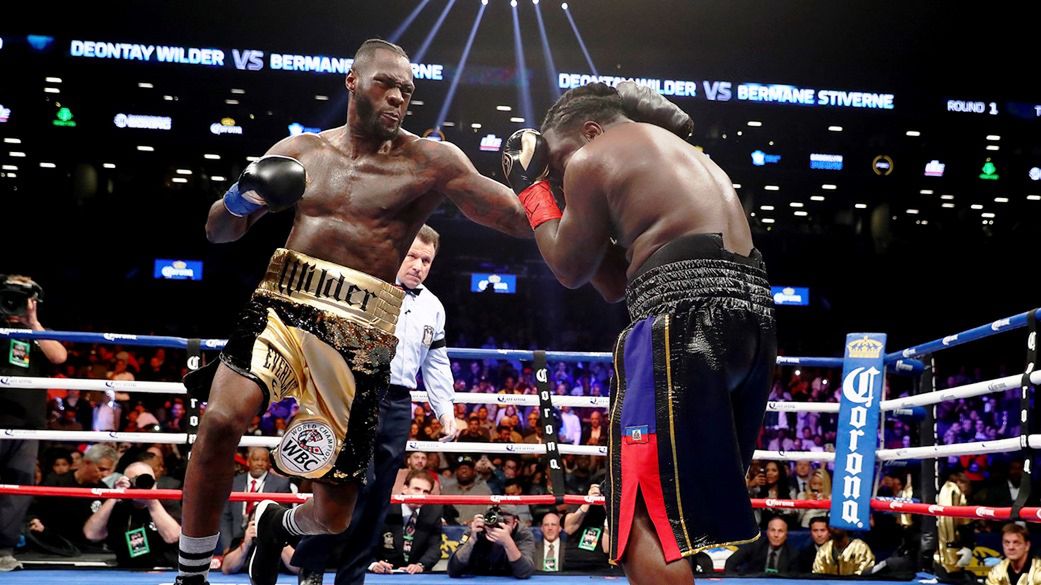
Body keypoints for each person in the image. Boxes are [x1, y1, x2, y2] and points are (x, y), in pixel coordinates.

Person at [174, 38, 529, 585]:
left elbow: (509, 217)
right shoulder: (302, 150)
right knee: (221, 420)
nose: (398, 99)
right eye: (387, 84)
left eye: (408, 91)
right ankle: (191, 574)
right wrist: (244, 197)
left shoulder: (431, 161)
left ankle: (278, 525)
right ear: (354, 82)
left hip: (361, 330)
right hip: (283, 305)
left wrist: (543, 193)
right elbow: (217, 231)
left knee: (334, 514)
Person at [501, 81, 776, 585]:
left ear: (589, 130)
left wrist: (533, 188)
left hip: (681, 323)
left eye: (560, 161)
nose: (564, 174)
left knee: (642, 516)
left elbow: (564, 267)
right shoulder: (685, 157)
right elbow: (608, 284)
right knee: (682, 511)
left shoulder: (592, 156)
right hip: (753, 323)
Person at [293, 226, 457, 585]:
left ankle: (351, 579)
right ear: (398, 250)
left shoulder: (433, 306)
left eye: (426, 260)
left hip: (399, 403)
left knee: (380, 496)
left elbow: (436, 362)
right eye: (412, 256)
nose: (418, 266)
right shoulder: (364, 289)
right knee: (351, 486)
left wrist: (446, 411)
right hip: (356, 395)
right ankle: (312, 565)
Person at [0, 275, 67, 571]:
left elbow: (59, 356)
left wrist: (32, 321)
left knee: (18, 489)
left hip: (28, 423)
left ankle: (3, 550)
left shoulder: (37, 334)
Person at [82, 462, 181, 568]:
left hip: (163, 571)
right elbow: (91, 534)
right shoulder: (118, 508)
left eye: (146, 480)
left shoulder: (167, 503)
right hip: (127, 571)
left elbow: (172, 537)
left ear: (154, 483)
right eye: (135, 480)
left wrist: (151, 499)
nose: (141, 485)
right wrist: (115, 494)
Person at [219, 447, 294, 554]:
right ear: (248, 462)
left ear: (269, 464)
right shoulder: (233, 483)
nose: (260, 463)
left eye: (264, 460)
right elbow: (225, 517)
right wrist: (227, 546)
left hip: (267, 544)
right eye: (256, 459)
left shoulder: (281, 484)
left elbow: (283, 519)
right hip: (235, 542)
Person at [368, 470, 443, 575]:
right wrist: (374, 564)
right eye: (417, 489)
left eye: (425, 491)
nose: (420, 495)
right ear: (405, 489)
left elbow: (435, 546)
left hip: (416, 575)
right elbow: (365, 543)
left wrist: (421, 565)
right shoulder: (384, 509)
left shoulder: (434, 512)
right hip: (383, 573)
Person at [447, 505, 535, 578]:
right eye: (495, 521)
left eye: (505, 522)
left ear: (515, 523)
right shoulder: (477, 529)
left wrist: (508, 543)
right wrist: (472, 540)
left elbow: (525, 572)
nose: (498, 526)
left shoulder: (523, 534)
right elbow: (453, 570)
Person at [724, 516, 797, 575]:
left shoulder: (793, 554)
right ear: (767, 533)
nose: (776, 535)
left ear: (786, 535)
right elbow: (730, 562)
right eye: (772, 530)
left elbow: (796, 578)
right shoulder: (754, 546)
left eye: (780, 531)